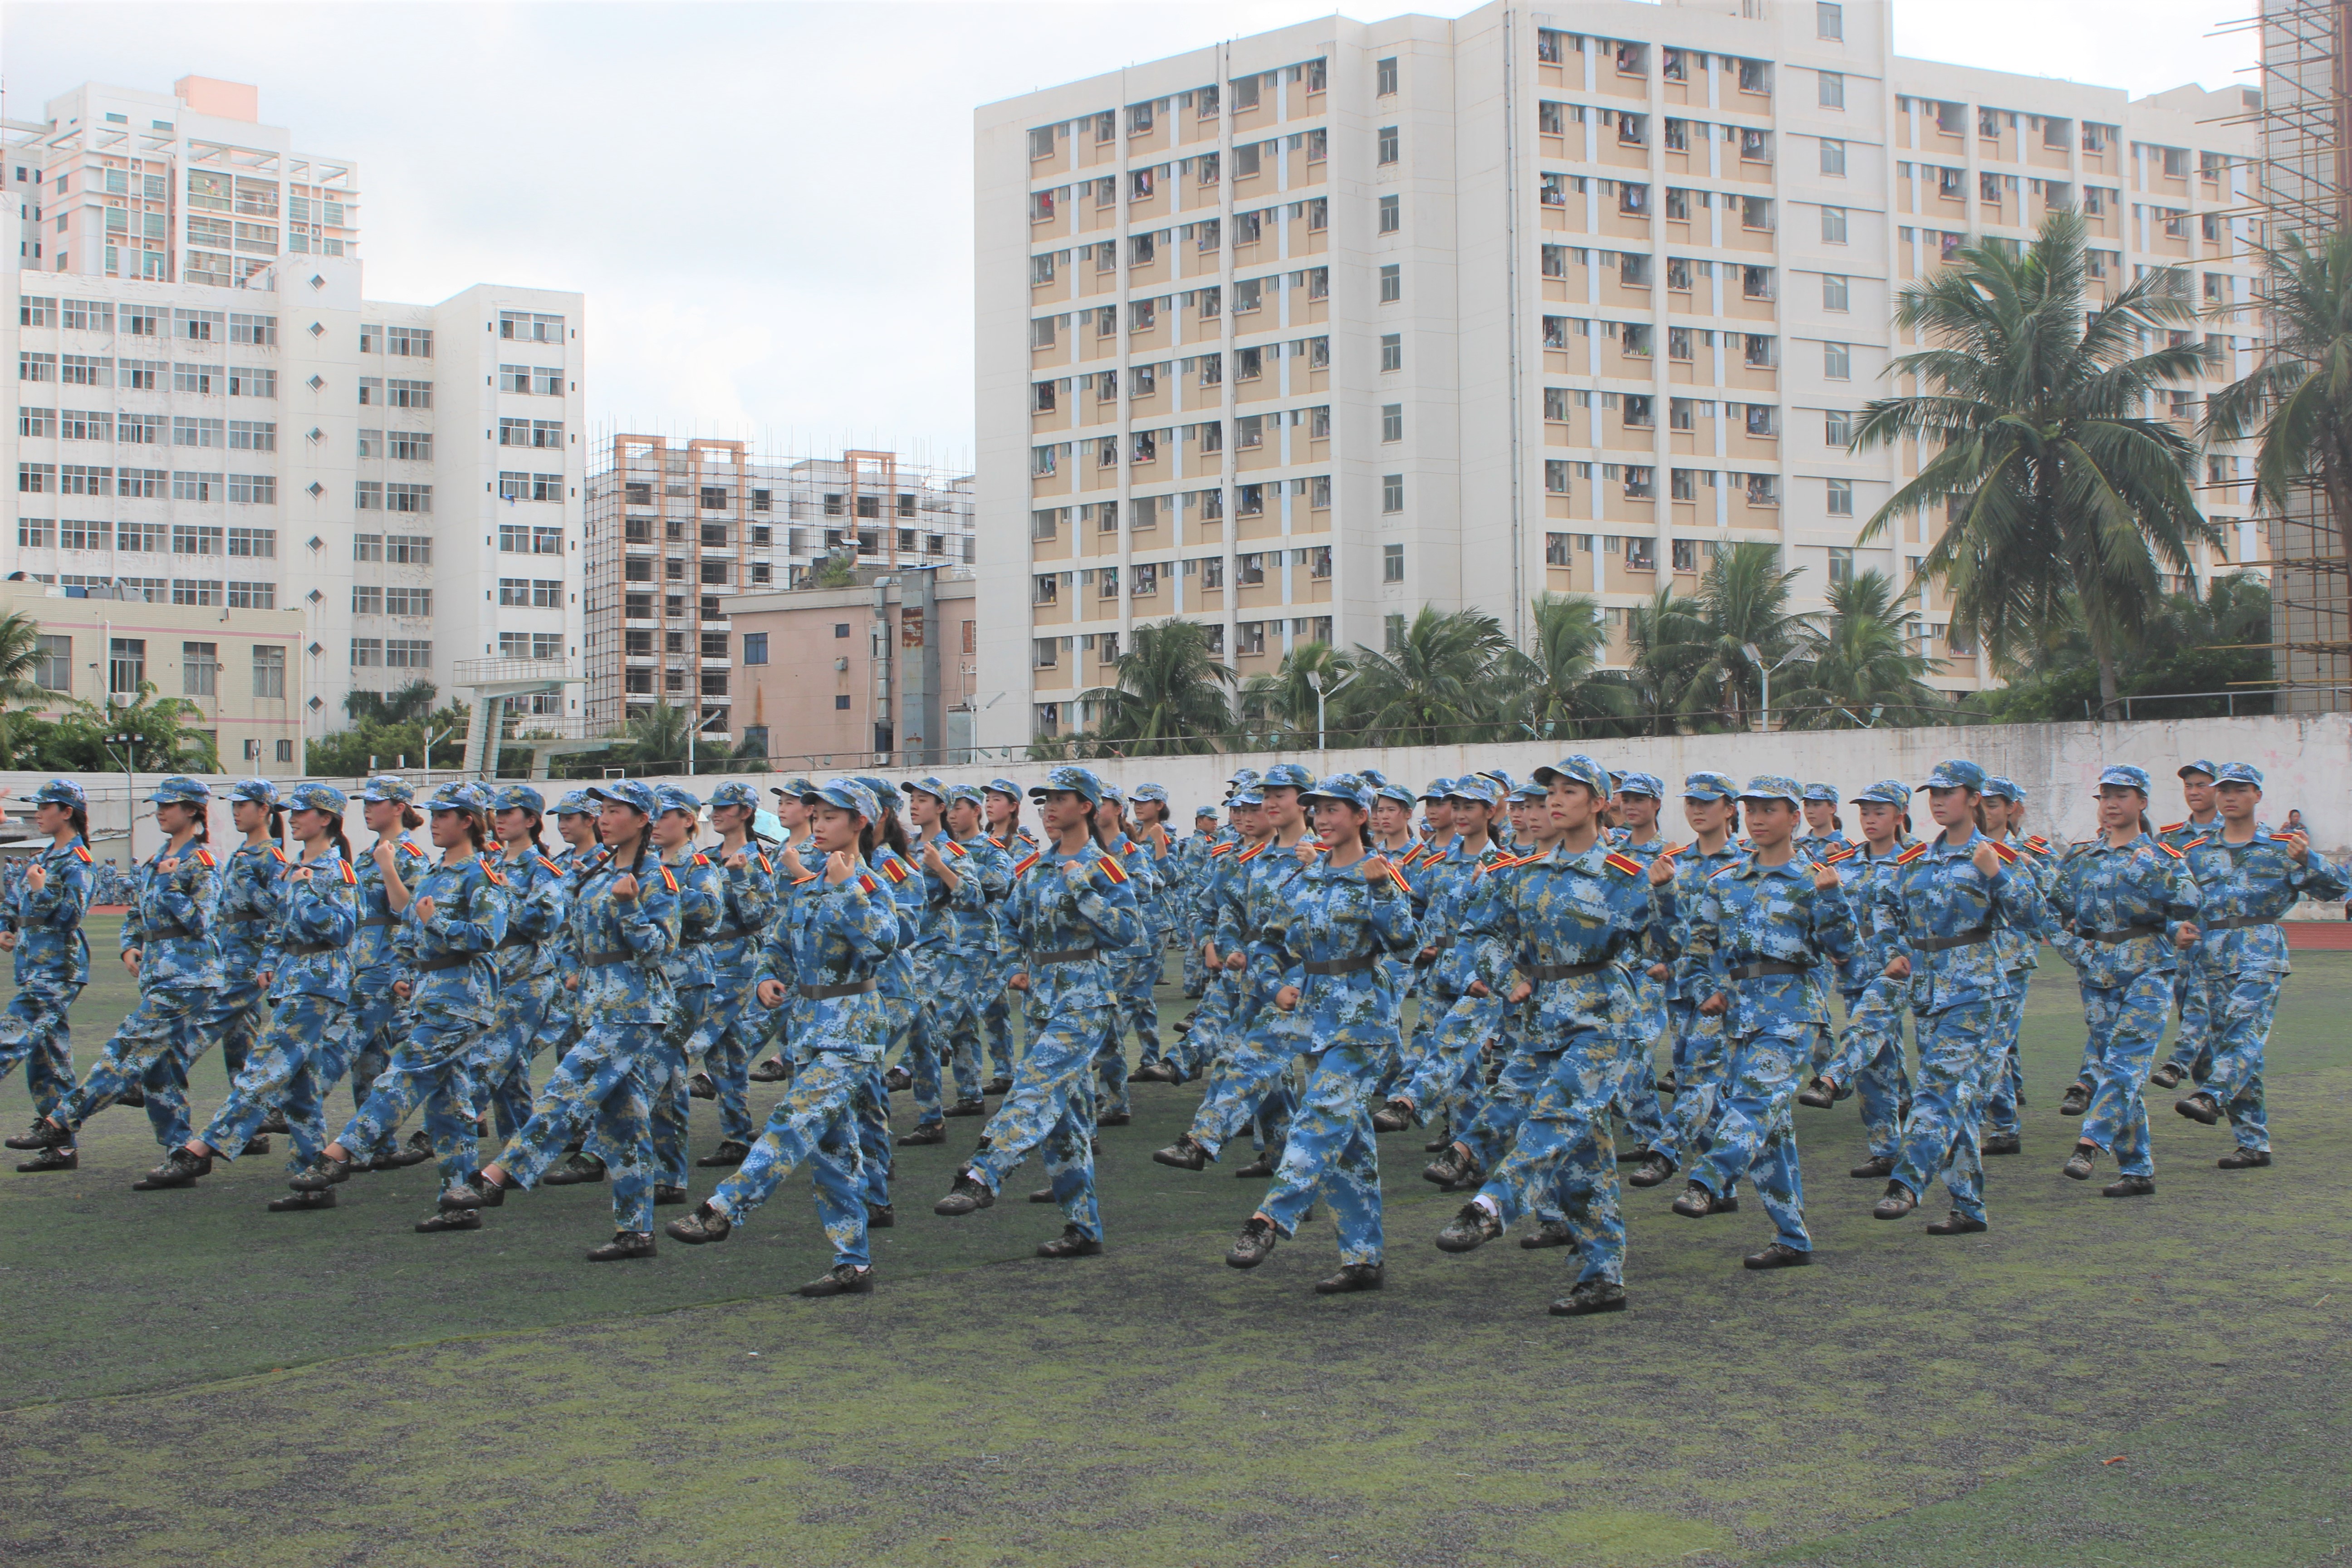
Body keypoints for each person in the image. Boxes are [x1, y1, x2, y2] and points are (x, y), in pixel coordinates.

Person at [1429, 756, 1657, 1315]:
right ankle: (1603, 1276)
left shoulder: (1625, 877)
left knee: (1555, 1118)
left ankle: (1490, 1205)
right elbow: (1480, 934)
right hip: (1541, 1018)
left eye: (1571, 792)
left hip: (1603, 1019)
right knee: (1583, 1152)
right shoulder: (1522, 874)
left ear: (1600, 803)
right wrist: (1507, 978)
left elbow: (1659, 949)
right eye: (1550, 791)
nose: (1555, 801)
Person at [664, 779, 903, 1294]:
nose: (818, 825)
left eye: (831, 817)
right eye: (815, 816)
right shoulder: (807, 883)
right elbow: (780, 944)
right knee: (834, 1155)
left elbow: (881, 944)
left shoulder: (868, 885)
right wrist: (772, 977)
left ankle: (722, 1209)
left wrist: (843, 888)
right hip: (810, 1030)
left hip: (851, 1030)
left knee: (791, 1123)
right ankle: (853, 1263)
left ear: (860, 824)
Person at [443, 779, 682, 1260]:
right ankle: (636, 1232)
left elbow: (660, 949)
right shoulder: (594, 873)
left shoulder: (657, 878)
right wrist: (574, 971)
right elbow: (569, 936)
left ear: (643, 821)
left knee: (565, 1088)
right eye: (604, 810)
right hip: (597, 1004)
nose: (606, 817)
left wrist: (630, 907)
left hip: (635, 1009)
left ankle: (499, 1176)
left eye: (618, 810)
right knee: (624, 1123)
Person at [934, 766, 1142, 1259]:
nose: (1050, 807)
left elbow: (1127, 931)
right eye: (1045, 799)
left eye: (1061, 798)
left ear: (1087, 807)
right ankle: (1083, 1228)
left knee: (1035, 1085)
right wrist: (1013, 966)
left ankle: (984, 1172)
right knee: (1064, 1120)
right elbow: (1007, 924)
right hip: (1043, 999)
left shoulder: (1104, 868)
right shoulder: (1033, 869)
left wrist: (1083, 892)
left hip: (1085, 997)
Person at [1223, 774, 1418, 1293]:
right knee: (1349, 1148)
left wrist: (1381, 888)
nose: (1324, 819)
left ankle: (1269, 1218)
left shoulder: (1383, 872)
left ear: (1362, 816)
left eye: (1336, 809)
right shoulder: (1306, 879)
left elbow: (1405, 945)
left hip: (1363, 1025)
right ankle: (1363, 1259)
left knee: (1318, 1117)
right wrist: (1269, 987)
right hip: (1315, 1022)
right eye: (1318, 810)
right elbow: (1269, 944)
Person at [286, 781, 511, 1231]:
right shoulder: (432, 874)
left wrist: (438, 921)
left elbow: (489, 935)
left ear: (467, 821)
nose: (436, 823)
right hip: (431, 992)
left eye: (445, 815)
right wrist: (406, 970)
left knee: (402, 1074)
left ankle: (342, 1153)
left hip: (462, 997)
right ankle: (460, 1199)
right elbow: (408, 929)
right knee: (450, 1107)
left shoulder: (480, 875)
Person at [1661, 777, 1855, 1270]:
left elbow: (1846, 952)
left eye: (1771, 809)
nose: (1759, 818)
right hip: (1740, 1014)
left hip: (1792, 1011)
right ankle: (1792, 1237)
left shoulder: (1815, 879)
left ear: (1795, 818)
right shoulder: (1724, 882)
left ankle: (1708, 1181)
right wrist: (1708, 993)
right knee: (1770, 1133)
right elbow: (1696, 950)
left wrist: (1833, 901)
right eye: (1752, 810)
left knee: (1751, 1103)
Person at [9, 776, 223, 1171]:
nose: (160, 810)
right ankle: (182, 1155)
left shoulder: (202, 861)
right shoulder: (158, 856)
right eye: (157, 804)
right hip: (159, 976)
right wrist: (130, 943)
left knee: (125, 1050)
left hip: (190, 977)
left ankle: (61, 1121)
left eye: (169, 804)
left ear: (193, 810)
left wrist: (171, 885)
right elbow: (136, 913)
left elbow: (203, 921)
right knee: (161, 1071)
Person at [1868, 761, 2046, 1233]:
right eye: (1934, 793)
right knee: (1958, 1100)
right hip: (1927, 991)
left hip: (1975, 989)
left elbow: (2034, 918)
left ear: (1974, 798)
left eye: (1949, 793)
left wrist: (1998, 877)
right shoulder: (1918, 861)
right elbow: (1885, 908)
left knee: (1937, 1090)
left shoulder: (1997, 857)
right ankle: (1968, 1206)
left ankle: (1906, 1182)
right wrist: (1891, 951)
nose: (1939, 800)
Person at [163, 783, 360, 1200]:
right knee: (299, 1089)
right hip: (292, 979)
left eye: (303, 812)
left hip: (319, 981)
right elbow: (278, 924)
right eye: (293, 811)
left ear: (326, 819)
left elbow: (342, 929)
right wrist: (270, 961)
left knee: (265, 1067)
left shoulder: (335, 869)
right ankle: (313, 1181)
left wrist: (307, 890)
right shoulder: (293, 867)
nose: (294, 818)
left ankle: (205, 1147)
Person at [2171, 762, 2346, 1167]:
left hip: (2259, 949)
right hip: (2210, 954)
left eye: (2241, 789)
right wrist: (2173, 931)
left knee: (2243, 1029)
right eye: (2225, 789)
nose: (2230, 796)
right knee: (2225, 1048)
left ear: (2258, 796)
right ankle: (2253, 1143)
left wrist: (2310, 860)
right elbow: (2175, 903)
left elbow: (2337, 889)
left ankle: (2211, 1096)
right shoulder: (2197, 853)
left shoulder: (2282, 847)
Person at [2046, 764, 2202, 1198]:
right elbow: (2051, 910)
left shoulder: (2161, 857)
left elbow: (2188, 904)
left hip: (2148, 969)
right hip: (2096, 972)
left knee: (2124, 1063)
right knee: (2119, 1066)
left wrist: (2170, 914)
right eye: (2105, 796)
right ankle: (2138, 1169)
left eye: (2122, 795)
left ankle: (2090, 1142)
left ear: (2142, 802)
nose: (2111, 804)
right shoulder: (2081, 859)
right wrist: (2074, 950)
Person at [1626, 772, 1745, 1194]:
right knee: (1703, 1085)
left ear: (1730, 810)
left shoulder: (1745, 862)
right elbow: (1656, 926)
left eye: (1706, 803)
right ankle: (1721, 1188)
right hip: (1681, 990)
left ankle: (1666, 1151)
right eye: (1691, 802)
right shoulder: (1674, 862)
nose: (1696, 810)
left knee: (1699, 1077)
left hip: (1726, 991)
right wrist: (1658, 960)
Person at [1801, 781, 1920, 1181]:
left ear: (1899, 817)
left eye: (1880, 813)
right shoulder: (1847, 864)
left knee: (1865, 1026)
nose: (1871, 820)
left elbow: (1922, 917)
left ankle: (1831, 1078)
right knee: (1877, 1064)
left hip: (1898, 969)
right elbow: (1828, 911)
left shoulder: (1916, 863)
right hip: (1855, 970)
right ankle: (1885, 1149)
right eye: (1866, 813)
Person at [336, 778, 434, 1171]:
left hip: (388, 962)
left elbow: (409, 910)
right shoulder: (367, 855)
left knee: (349, 1043)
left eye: (377, 802)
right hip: (362, 960)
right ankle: (378, 1145)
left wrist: (388, 867)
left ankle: (368, 1139)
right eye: (366, 802)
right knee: (367, 1059)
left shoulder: (407, 855)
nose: (368, 808)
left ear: (399, 807)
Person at [0, 779, 96, 1171]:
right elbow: (15, 899)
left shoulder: (79, 860)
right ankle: (62, 1147)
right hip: (34, 968)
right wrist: (6, 924)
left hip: (58, 970)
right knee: (48, 1059)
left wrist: (40, 891)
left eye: (45, 806)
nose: (37, 812)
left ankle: (59, 1140)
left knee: (10, 1037)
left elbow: (72, 916)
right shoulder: (45, 854)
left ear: (67, 812)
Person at [469, 786, 570, 1146]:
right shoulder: (490, 864)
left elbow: (545, 920)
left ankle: (452, 1125)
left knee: (487, 1062)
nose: (500, 819)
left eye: (510, 813)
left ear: (531, 821)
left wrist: (501, 901)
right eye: (497, 812)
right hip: (490, 976)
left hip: (525, 977)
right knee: (509, 1074)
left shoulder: (541, 868)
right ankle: (521, 1151)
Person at [686, 779, 778, 1168]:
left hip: (737, 962)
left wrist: (740, 878)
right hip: (705, 959)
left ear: (745, 813)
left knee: (689, 1043)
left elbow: (760, 917)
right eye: (715, 807)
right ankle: (737, 1137)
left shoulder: (759, 859)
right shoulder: (703, 857)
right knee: (728, 1055)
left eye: (726, 807)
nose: (717, 813)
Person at [897, 776, 992, 1142]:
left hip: (937, 947)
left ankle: (901, 1076)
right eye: (913, 800)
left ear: (942, 808)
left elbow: (974, 899)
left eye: (925, 800)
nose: (915, 805)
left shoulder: (952, 851)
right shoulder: (903, 849)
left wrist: (941, 867)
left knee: (904, 1016)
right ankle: (932, 1119)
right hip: (907, 947)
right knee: (924, 1033)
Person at [1972, 778, 2056, 1157]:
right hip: (1974, 960)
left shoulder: (2029, 852)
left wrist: (2024, 867)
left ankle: (2004, 1125)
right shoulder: (1962, 849)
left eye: (1994, 805)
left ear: (2012, 809)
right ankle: (2007, 1106)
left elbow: (2056, 893)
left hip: (2012, 957)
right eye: (1982, 804)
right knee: (1990, 1043)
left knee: (1994, 1043)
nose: (1987, 812)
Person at [2144, 761, 2224, 1099]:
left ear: (2217, 789)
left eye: (2202, 785)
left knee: (2202, 1004)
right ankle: (2211, 1092)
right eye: (2189, 786)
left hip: (2219, 939)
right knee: (2200, 1024)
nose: (2194, 792)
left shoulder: (2230, 833)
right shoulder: (2170, 838)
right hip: (2181, 943)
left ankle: (2177, 1062)